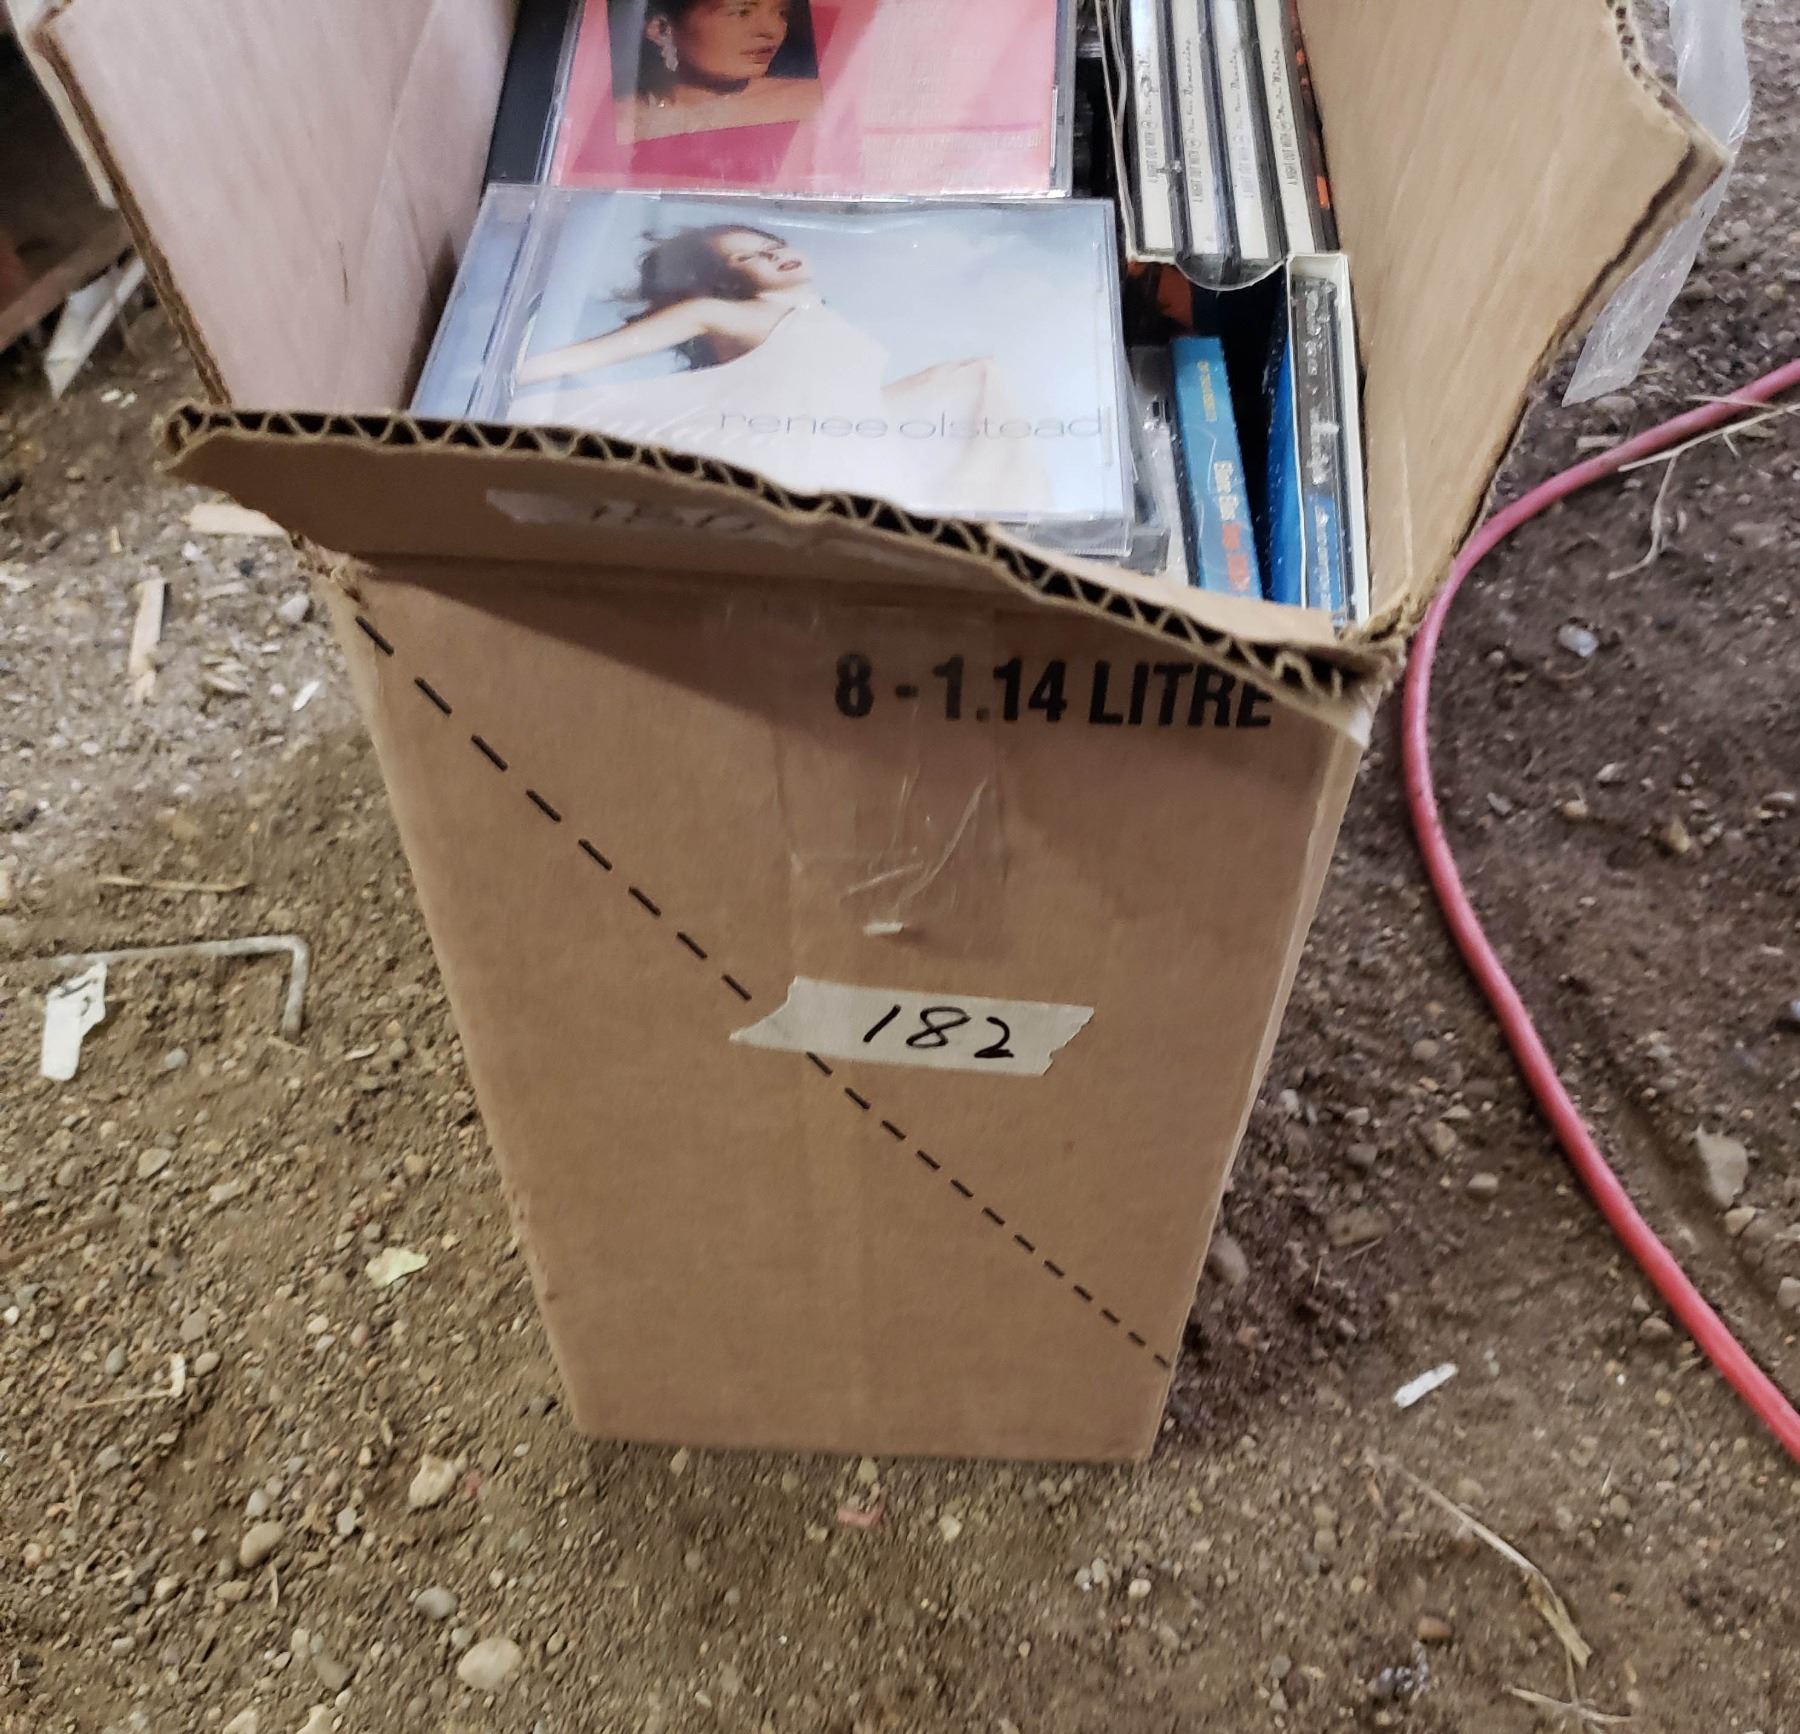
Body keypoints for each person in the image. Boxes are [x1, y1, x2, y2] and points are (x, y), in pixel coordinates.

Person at [510, 223, 1056, 521]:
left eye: (773, 244)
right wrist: (498, 375)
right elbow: (599, 352)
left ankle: (996, 518)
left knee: (977, 376)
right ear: (725, 279)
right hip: (788, 459)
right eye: (747, 257)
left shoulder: (833, 324)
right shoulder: (724, 313)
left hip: (852, 451)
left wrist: (955, 383)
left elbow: (845, 398)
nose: (773, 255)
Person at [616, 0, 822, 142]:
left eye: (782, 13)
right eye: (742, 12)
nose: (772, 30)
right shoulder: (617, 119)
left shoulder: (808, 101)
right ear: (661, 28)